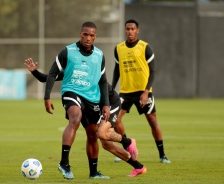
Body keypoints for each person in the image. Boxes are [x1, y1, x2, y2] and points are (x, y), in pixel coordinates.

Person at [24, 58, 147, 177]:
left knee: (102, 134)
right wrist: (34, 71)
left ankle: (129, 141)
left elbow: (103, 85)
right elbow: (46, 78)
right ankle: (138, 167)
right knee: (106, 144)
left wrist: (106, 105)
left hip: (110, 102)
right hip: (95, 104)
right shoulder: (70, 72)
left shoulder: (90, 70)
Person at [43, 22, 110, 180]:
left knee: (93, 134)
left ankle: (93, 172)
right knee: (75, 117)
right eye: (85, 34)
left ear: (95, 36)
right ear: (80, 34)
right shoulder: (68, 51)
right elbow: (52, 73)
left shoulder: (99, 55)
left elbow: (103, 81)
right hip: (71, 91)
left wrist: (105, 104)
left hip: (92, 97)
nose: (88, 38)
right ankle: (64, 163)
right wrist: (47, 97)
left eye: (91, 35)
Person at [112, 19, 171, 164]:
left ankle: (162, 154)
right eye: (128, 29)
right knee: (115, 120)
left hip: (143, 91)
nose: (130, 31)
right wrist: (112, 89)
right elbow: (116, 70)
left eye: (133, 29)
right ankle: (127, 147)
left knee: (152, 121)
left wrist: (146, 92)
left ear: (137, 30)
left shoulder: (145, 47)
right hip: (125, 92)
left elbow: (153, 71)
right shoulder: (118, 48)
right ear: (125, 30)